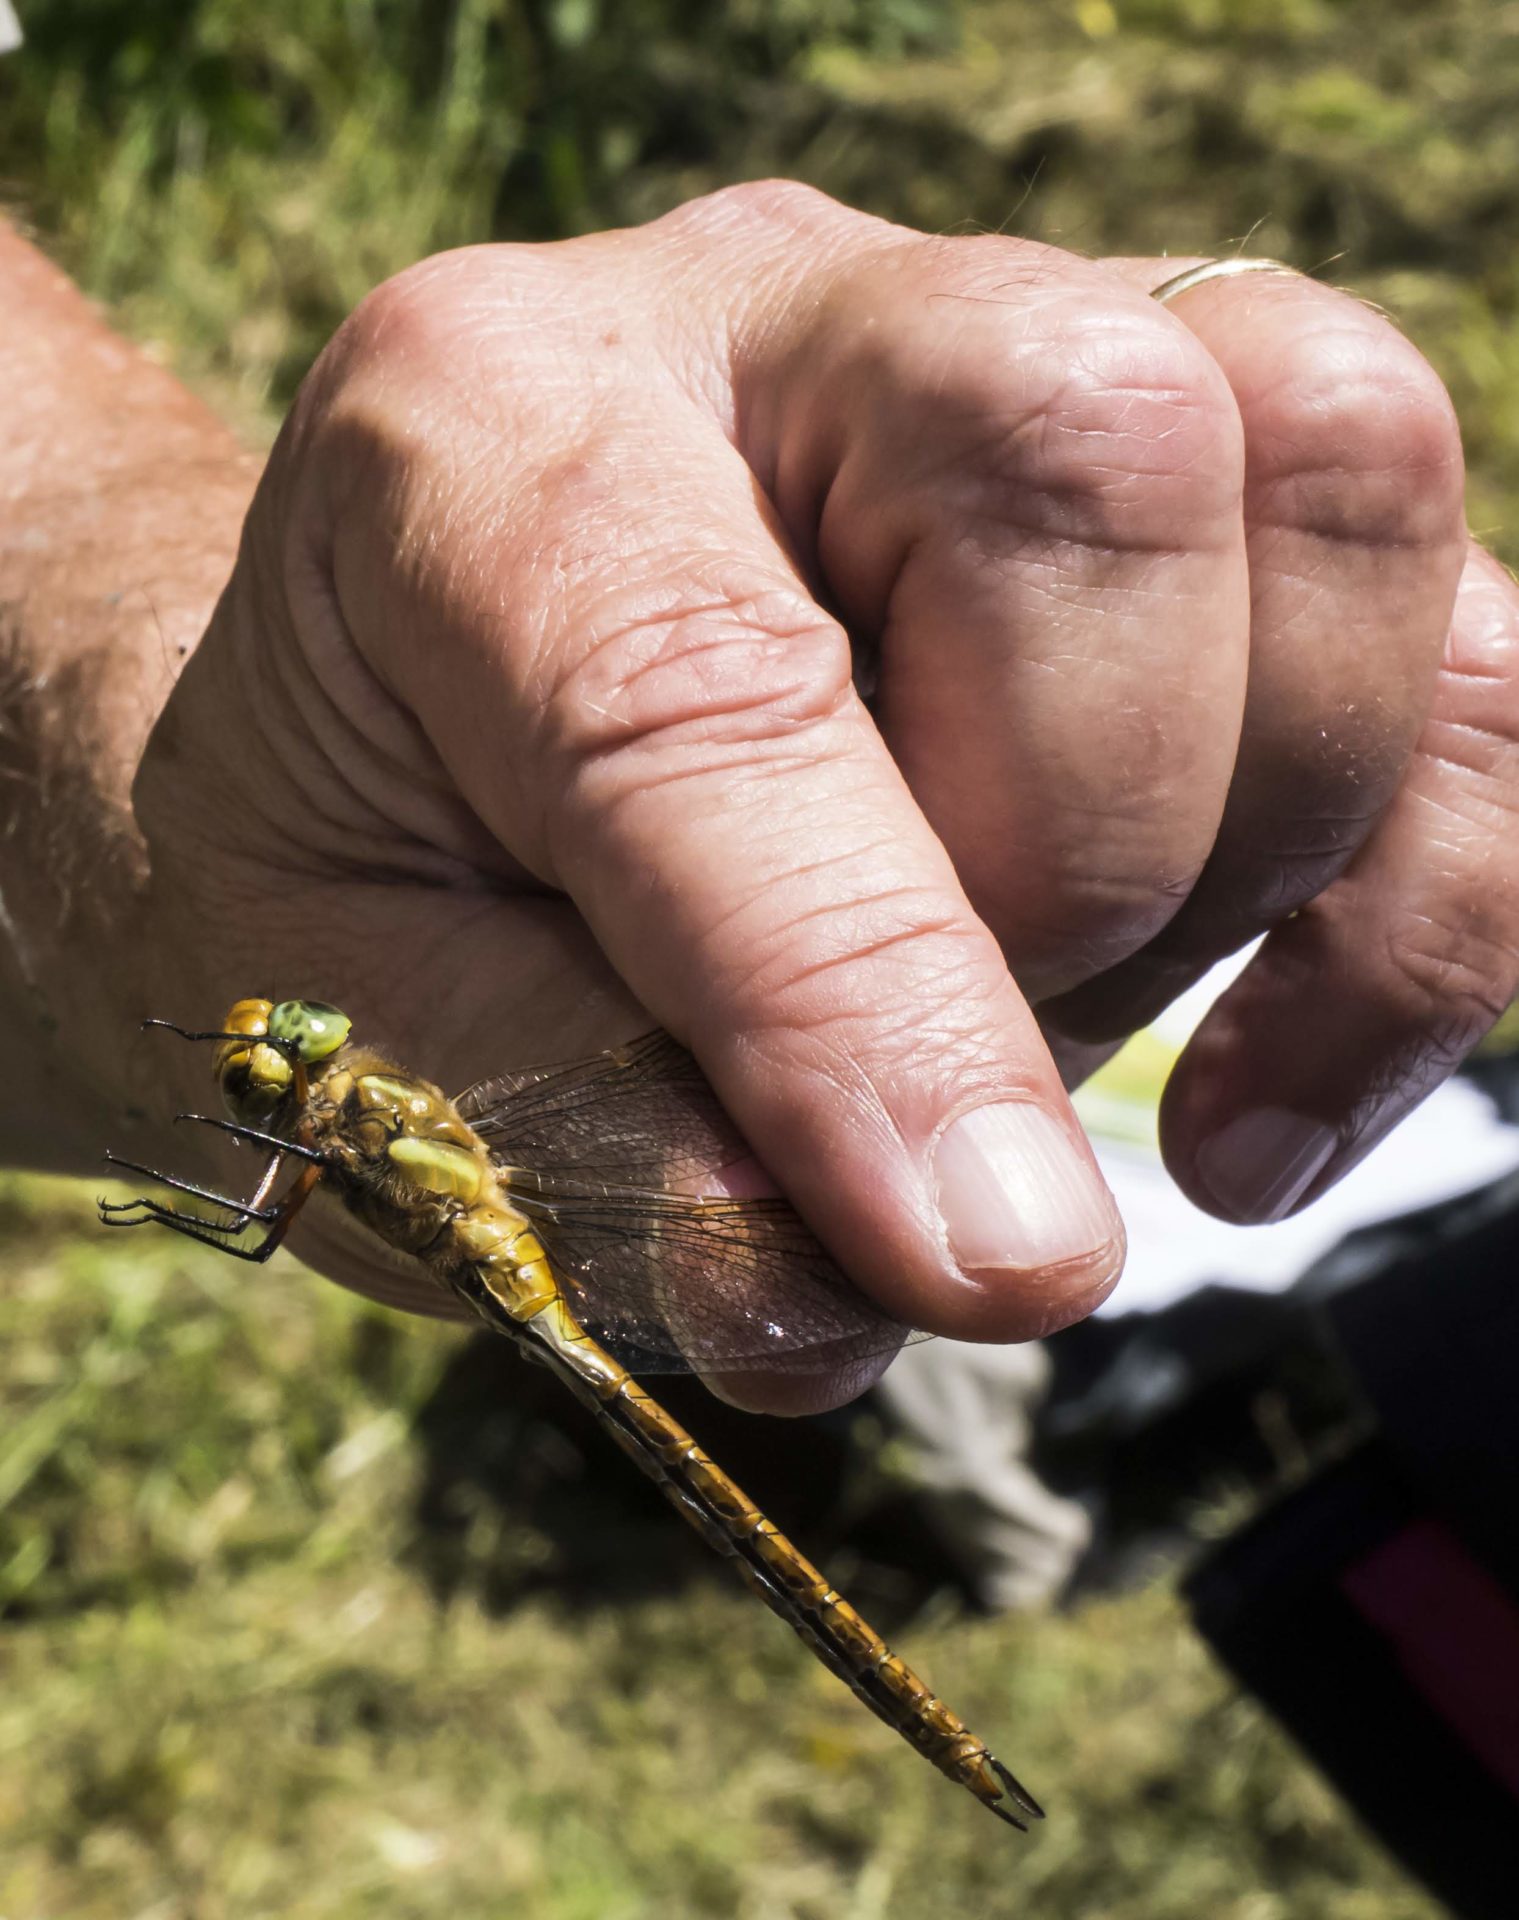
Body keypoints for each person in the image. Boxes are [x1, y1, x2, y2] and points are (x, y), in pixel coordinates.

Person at [2, 186, 1516, 1420]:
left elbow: (261, 1181)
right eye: (277, 1071)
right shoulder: (386, 1128)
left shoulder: (369, 1128)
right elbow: (264, 1169)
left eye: (289, 1056)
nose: (287, 1046)